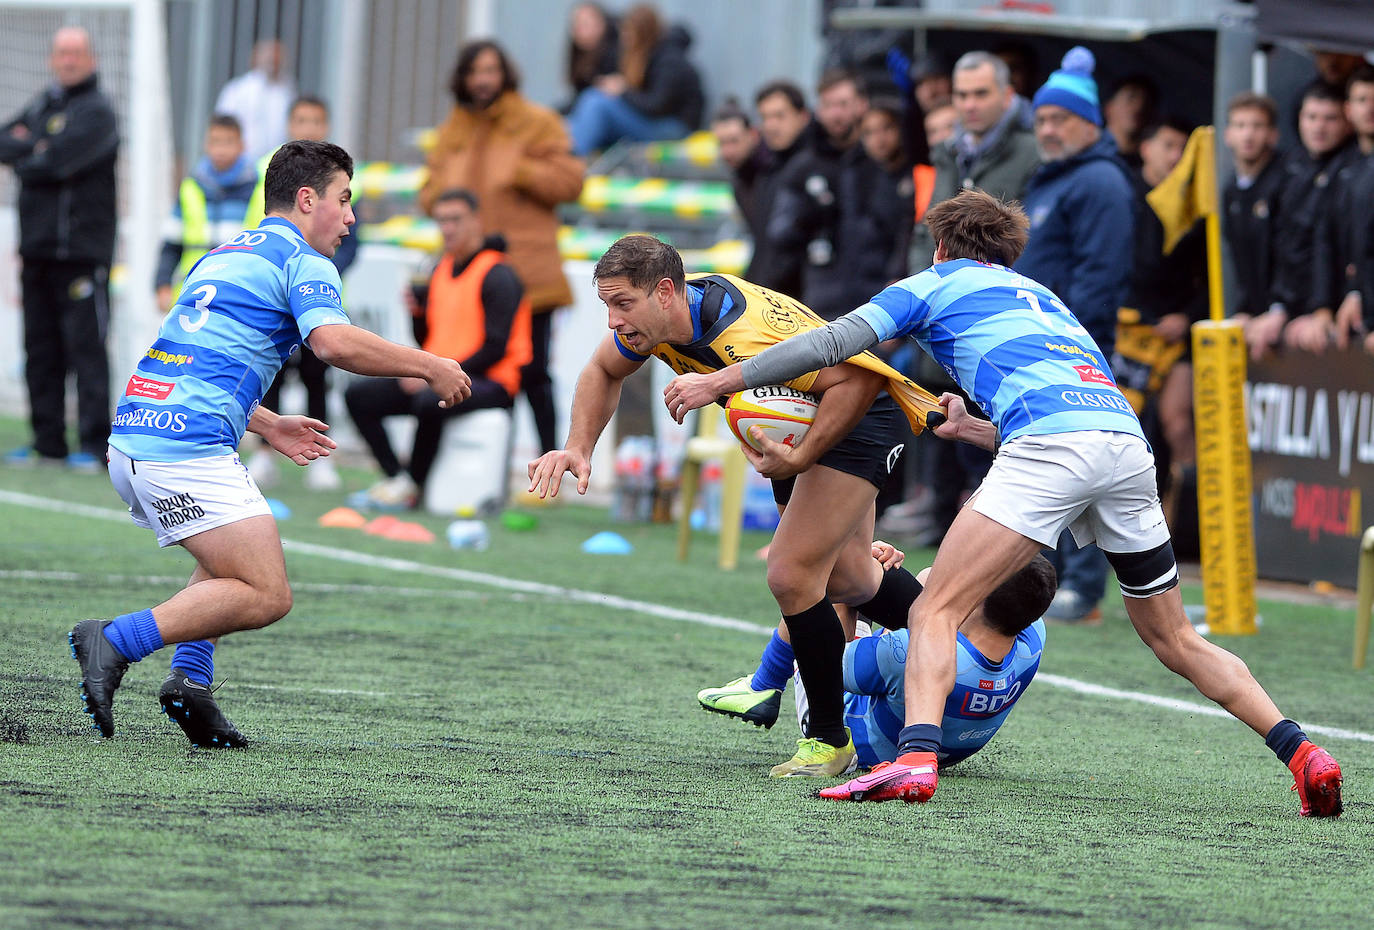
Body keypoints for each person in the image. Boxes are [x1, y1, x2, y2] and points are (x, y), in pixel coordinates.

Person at [662, 189, 1344, 818]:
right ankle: (1303, 753)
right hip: (1124, 446)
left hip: (1052, 446)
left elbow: (834, 343)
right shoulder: (1043, 298)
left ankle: (916, 759)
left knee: (934, 609)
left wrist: (721, 379)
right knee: (1176, 638)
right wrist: (976, 429)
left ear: (940, 246)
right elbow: (1066, 404)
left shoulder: (931, 283)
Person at [68, 140, 472, 747]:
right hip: (186, 451)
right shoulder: (304, 261)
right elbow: (332, 343)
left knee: (224, 557)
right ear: (307, 200)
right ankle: (114, 641)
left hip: (135, 437)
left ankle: (190, 683)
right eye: (344, 200)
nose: (350, 217)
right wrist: (428, 365)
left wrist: (268, 423)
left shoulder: (223, 255)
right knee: (267, 592)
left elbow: (188, 359)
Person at [528, 234, 942, 778]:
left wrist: (803, 458)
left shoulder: (741, 337)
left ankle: (827, 740)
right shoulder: (659, 323)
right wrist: (579, 446)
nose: (613, 320)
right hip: (813, 422)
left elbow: (858, 381)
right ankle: (948, 638)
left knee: (793, 575)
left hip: (860, 418)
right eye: (607, 305)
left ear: (666, 292)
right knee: (851, 582)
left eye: (622, 303)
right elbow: (602, 370)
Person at [1015, 47, 1136, 625]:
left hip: (1073, 350)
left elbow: (1100, 273)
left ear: (1091, 123)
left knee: (1079, 466)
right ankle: (1057, 578)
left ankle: (1085, 587)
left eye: (1060, 118)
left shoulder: (1100, 182)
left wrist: (1068, 340)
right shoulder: (1053, 179)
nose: (1049, 129)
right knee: (1050, 464)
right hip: (1042, 348)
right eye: (1041, 119)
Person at [421, 39, 585, 455]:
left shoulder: (537, 122)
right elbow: (428, 194)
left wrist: (522, 169)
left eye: (491, 70)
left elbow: (572, 182)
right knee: (474, 367)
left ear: (505, 74)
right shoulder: (451, 130)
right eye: (475, 71)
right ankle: (489, 468)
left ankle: (552, 461)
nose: (483, 80)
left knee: (533, 372)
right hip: (468, 275)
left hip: (529, 273)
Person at [345, 188, 532, 508]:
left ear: (477, 221)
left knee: (430, 399)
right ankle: (397, 477)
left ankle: (413, 485)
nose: (447, 228)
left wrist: (434, 375)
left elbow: (496, 348)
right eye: (441, 220)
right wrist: (416, 313)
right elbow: (429, 338)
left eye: (455, 220)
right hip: (445, 372)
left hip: (492, 380)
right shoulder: (440, 268)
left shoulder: (498, 273)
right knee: (359, 396)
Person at [0, 26, 117, 473]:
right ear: (53, 59)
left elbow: (57, 161)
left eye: (76, 53)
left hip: (81, 254)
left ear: (92, 59)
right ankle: (46, 442)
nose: (68, 60)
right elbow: (5, 141)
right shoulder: (42, 104)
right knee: (40, 349)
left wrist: (32, 151)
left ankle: (92, 445)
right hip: (37, 250)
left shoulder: (99, 111)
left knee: (86, 350)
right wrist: (37, 146)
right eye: (62, 53)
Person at [819, 555, 1053, 775]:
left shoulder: (910, 648)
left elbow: (829, 669)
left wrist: (858, 568)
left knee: (837, 575)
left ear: (978, 589)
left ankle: (781, 671)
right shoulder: (1034, 636)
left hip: (853, 736)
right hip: (945, 753)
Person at [245, 96, 357, 491]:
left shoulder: (335, 180)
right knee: (269, 375)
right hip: (272, 293)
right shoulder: (268, 174)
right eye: (300, 119)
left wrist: (321, 278)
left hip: (311, 296)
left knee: (316, 375)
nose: (348, 215)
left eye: (316, 120)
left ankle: (321, 458)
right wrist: (429, 366)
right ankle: (261, 453)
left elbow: (352, 241)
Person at [766, 69, 908, 320]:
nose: (836, 114)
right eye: (828, 105)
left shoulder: (884, 163)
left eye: (843, 104)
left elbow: (903, 230)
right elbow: (779, 233)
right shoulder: (804, 166)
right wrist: (810, 214)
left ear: (862, 105)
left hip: (879, 303)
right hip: (820, 303)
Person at [1244, 82, 1356, 361]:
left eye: (1330, 118)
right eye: (1312, 117)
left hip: (1338, 320)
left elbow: (1334, 248)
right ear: (1299, 120)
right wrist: (1277, 309)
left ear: (1346, 121)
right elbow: (1285, 248)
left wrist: (1321, 311)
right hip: (1291, 313)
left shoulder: (1353, 171)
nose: (1319, 127)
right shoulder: (1291, 168)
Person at [565, 3, 704, 156]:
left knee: (596, 102)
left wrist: (622, 91)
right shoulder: (640, 56)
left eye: (628, 32)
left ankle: (572, 161)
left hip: (675, 128)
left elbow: (656, 106)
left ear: (642, 33)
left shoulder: (669, 60)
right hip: (653, 122)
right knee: (581, 114)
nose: (623, 38)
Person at [154, 114, 258, 313]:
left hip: (239, 297)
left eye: (228, 142)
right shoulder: (191, 187)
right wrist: (162, 284)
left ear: (242, 145)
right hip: (192, 296)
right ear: (206, 144)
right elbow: (171, 244)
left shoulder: (257, 188)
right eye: (215, 142)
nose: (221, 149)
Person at [1304, 65, 1374, 352]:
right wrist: (1322, 308)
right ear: (1348, 109)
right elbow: (1326, 241)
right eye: (1361, 100)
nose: (1370, 109)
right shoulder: (1340, 169)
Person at [746, 79, 816, 297]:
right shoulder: (769, 170)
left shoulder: (816, 166)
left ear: (803, 117)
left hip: (803, 298)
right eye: (765, 117)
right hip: (770, 293)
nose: (770, 125)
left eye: (779, 116)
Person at [1222, 93, 1283, 322]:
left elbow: (1291, 253)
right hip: (1255, 314)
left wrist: (1279, 308)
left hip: (1284, 314)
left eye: (1257, 126)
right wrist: (1245, 308)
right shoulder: (1231, 190)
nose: (1248, 135)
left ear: (1273, 135)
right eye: (1240, 125)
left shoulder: (1287, 182)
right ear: (1228, 135)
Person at [213, 38, 294, 161]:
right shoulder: (238, 88)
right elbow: (223, 124)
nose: (274, 61)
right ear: (255, 57)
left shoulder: (288, 89)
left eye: (278, 58)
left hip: (278, 161)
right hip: (242, 161)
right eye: (269, 58)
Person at [710, 99, 768, 233]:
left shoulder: (774, 172)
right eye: (721, 143)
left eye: (734, 141)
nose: (727, 152)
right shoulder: (739, 180)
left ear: (753, 134)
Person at [562, 2, 619, 113]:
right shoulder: (579, 52)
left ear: (601, 25)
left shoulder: (617, 53)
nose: (578, 30)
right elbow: (578, 97)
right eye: (575, 25)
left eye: (585, 24)